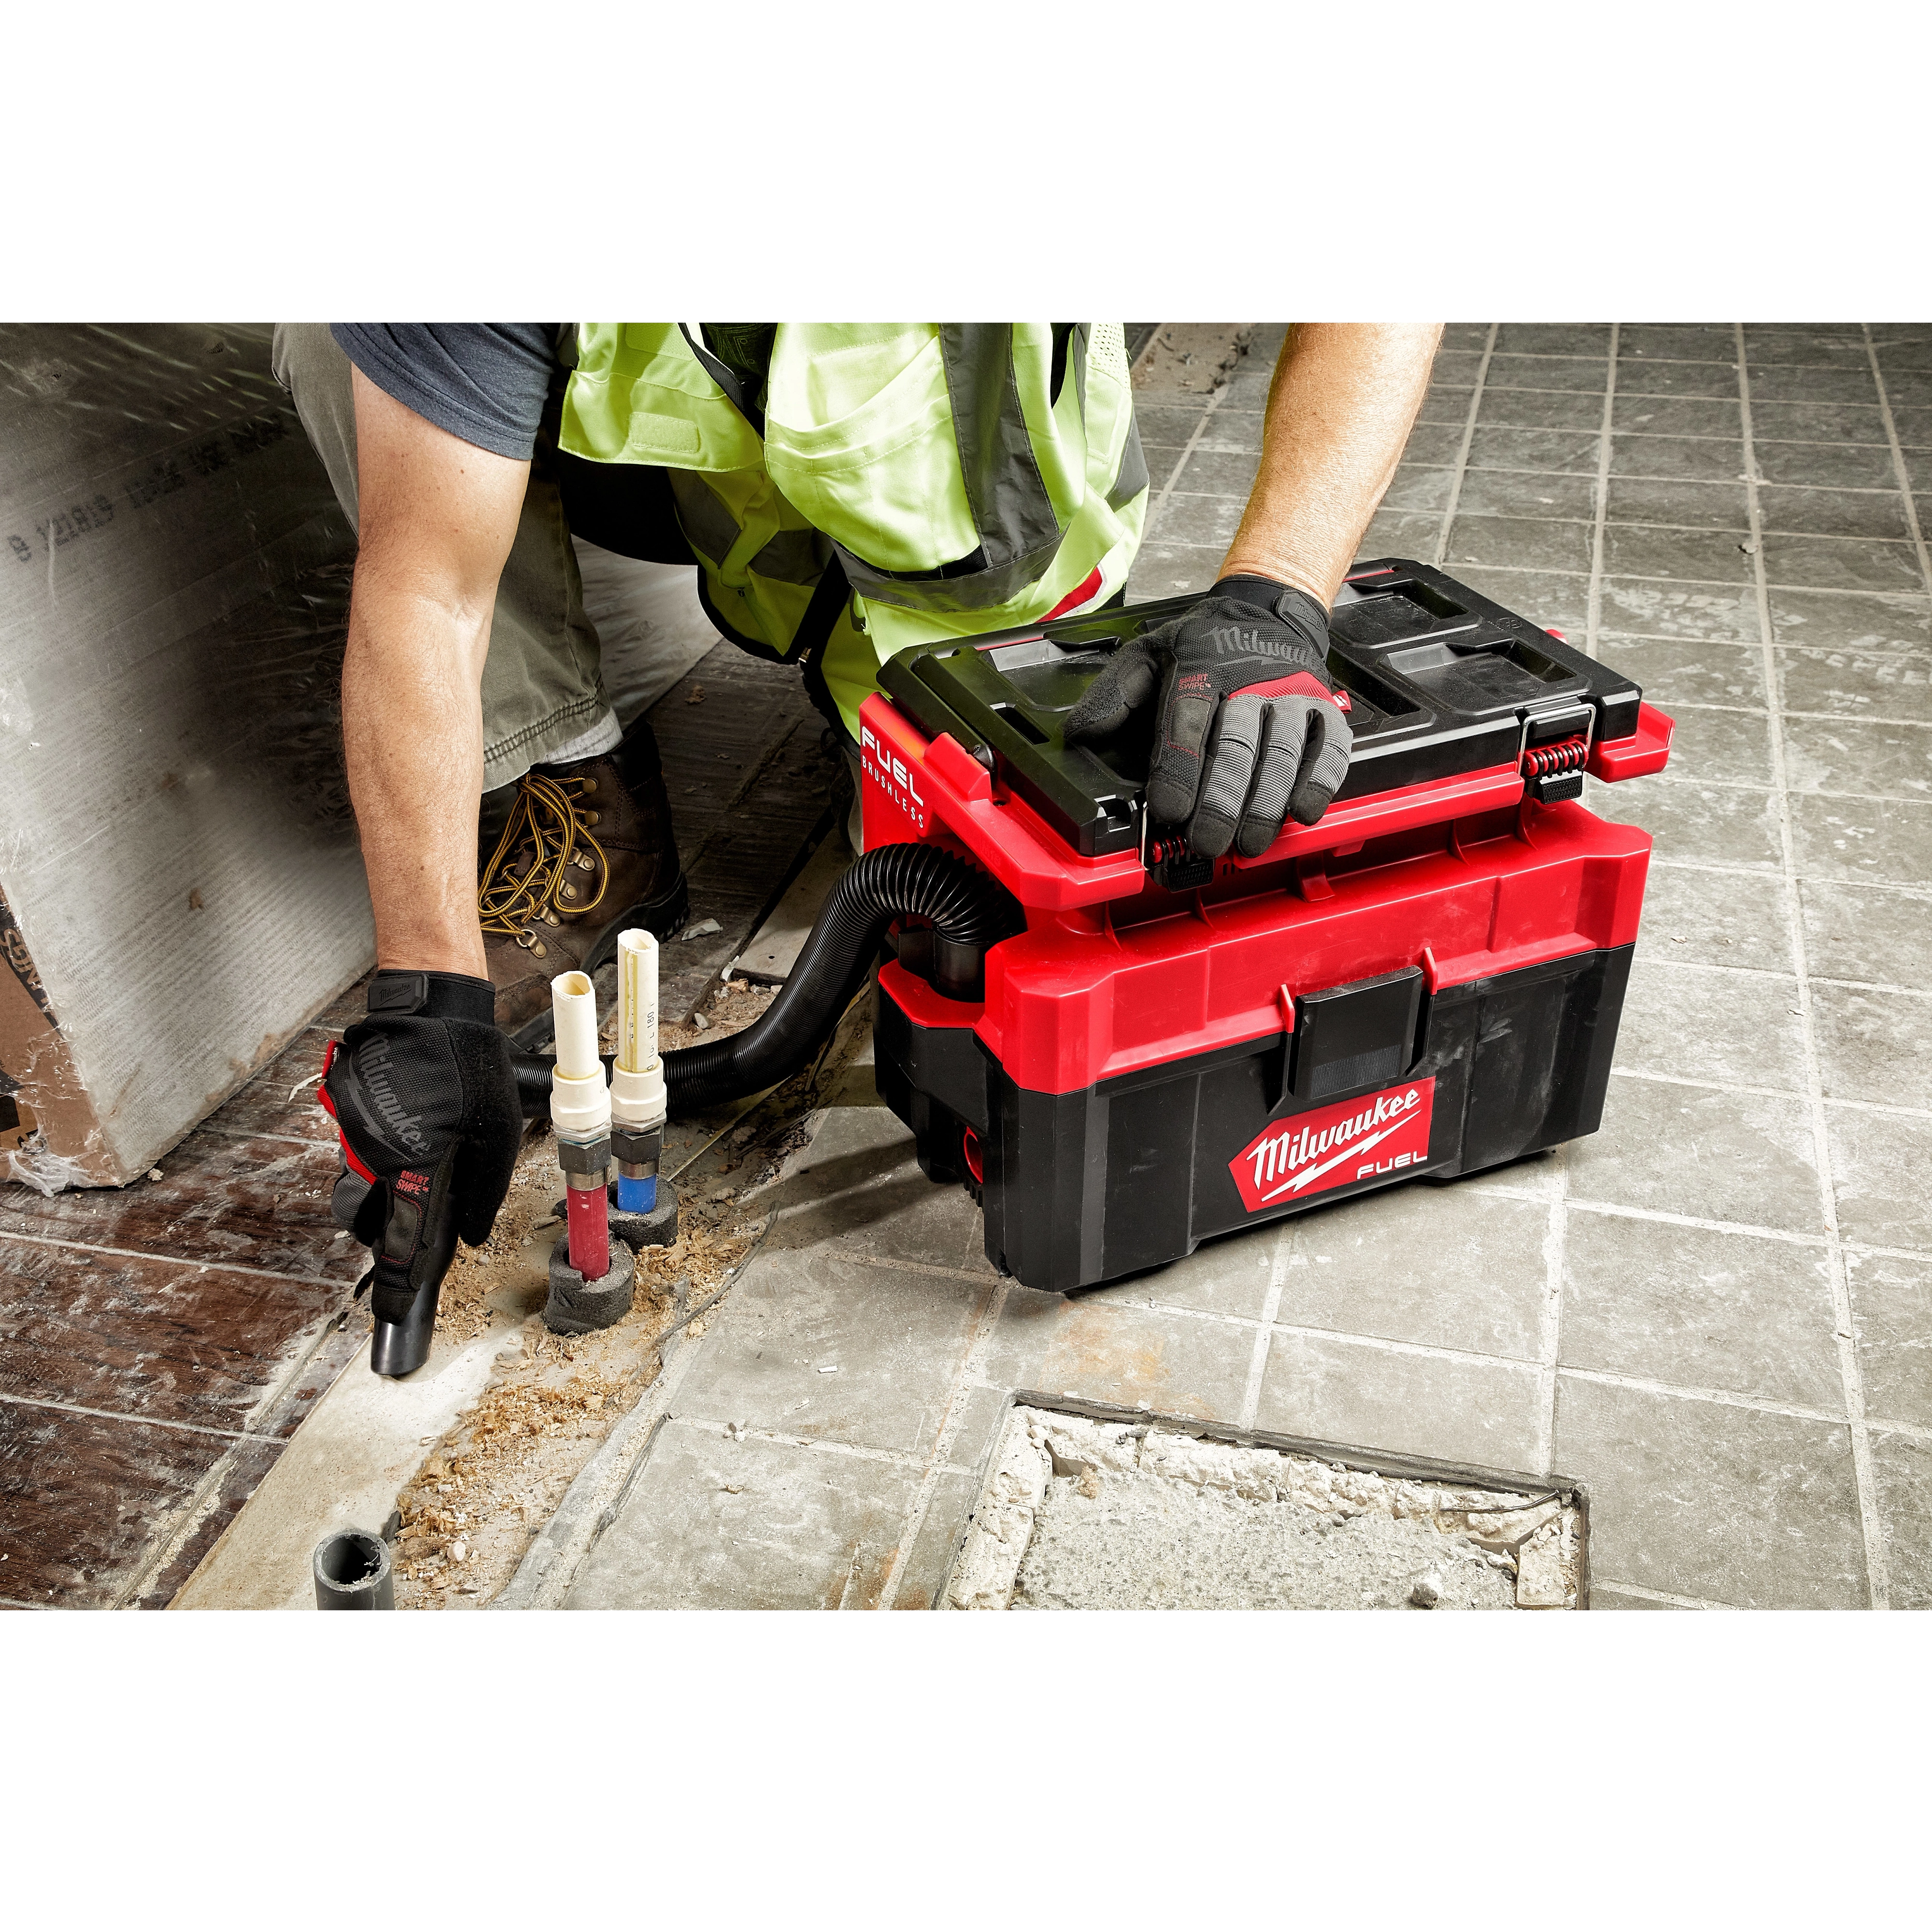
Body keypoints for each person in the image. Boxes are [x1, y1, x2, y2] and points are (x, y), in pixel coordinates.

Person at [281, 320, 1441, 1371]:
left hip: (963, 508)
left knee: (974, 895)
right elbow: (429, 589)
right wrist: (427, 991)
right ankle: (578, 783)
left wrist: (1275, 593)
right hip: (691, 464)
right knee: (342, 353)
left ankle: (886, 694)